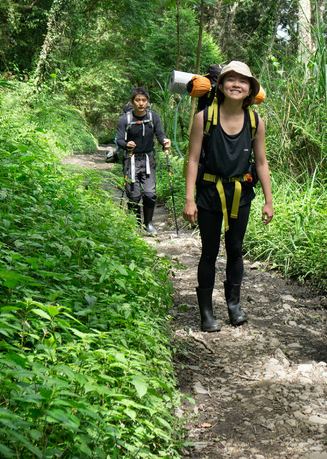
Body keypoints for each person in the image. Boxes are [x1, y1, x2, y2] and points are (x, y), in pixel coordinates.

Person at [183, 61, 274, 332]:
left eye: (243, 81)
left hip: (241, 193)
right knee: (209, 252)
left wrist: (268, 200)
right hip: (209, 193)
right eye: (231, 80)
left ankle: (233, 305)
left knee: (235, 250)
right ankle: (207, 312)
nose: (237, 84)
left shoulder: (255, 121)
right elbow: (193, 159)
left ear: (250, 90)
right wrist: (190, 199)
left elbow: (261, 163)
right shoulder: (205, 118)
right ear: (221, 86)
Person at [115, 87, 170, 234]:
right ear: (132, 101)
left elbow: (160, 135)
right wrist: (126, 145)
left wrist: (164, 141)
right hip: (130, 160)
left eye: (144, 100)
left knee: (150, 194)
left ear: (147, 102)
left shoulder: (154, 117)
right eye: (138, 100)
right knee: (133, 195)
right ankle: (136, 225)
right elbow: (119, 139)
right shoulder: (125, 119)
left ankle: (148, 224)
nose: (141, 103)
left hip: (148, 160)